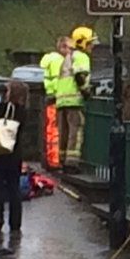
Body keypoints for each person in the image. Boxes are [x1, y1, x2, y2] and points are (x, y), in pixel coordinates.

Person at [0, 81, 27, 234]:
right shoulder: (23, 111)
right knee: (14, 188)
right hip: (15, 154)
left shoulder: (2, 108)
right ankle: (15, 224)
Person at [56, 27, 97, 169]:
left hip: (62, 101)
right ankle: (72, 163)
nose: (93, 46)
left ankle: (62, 159)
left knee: (64, 132)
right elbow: (80, 76)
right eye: (90, 43)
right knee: (75, 131)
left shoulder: (69, 56)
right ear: (83, 42)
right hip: (74, 100)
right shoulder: (81, 57)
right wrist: (85, 91)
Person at [40, 37, 69, 170]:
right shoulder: (60, 61)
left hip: (50, 95)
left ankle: (51, 159)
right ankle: (54, 160)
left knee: (51, 130)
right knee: (55, 130)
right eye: (68, 48)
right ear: (62, 48)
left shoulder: (50, 59)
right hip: (58, 97)